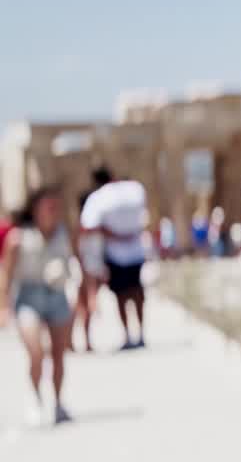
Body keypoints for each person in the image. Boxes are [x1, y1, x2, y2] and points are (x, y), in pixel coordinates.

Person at [0, 187, 77, 425]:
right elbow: (6, 274)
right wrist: (3, 307)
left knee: (58, 354)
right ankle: (35, 396)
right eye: (48, 207)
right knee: (36, 351)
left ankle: (58, 402)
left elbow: (73, 264)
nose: (53, 212)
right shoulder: (18, 238)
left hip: (56, 295)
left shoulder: (63, 234)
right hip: (28, 297)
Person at [79, 167, 150, 349]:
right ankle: (141, 333)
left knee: (122, 296)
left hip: (115, 254)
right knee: (137, 293)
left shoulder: (99, 197)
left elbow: (88, 227)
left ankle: (127, 335)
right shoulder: (136, 189)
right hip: (136, 251)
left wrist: (113, 234)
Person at [72, 188, 106, 352]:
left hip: (88, 265)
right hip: (88, 265)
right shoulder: (89, 223)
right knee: (82, 303)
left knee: (81, 304)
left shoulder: (89, 223)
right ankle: (77, 339)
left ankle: (82, 340)